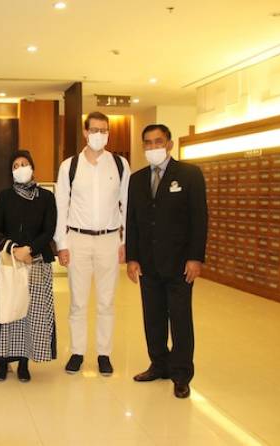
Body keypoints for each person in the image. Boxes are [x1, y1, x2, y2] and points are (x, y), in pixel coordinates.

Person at [126, 124, 208, 399]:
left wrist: (195, 257)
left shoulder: (189, 174)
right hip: (148, 263)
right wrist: (132, 258)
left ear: (169, 144)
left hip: (179, 263)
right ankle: (159, 364)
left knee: (180, 320)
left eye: (158, 142)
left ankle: (181, 374)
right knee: (153, 318)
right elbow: (132, 221)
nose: (153, 147)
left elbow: (199, 218)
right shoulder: (137, 179)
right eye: (148, 143)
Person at [55, 111, 130, 376]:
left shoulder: (119, 165)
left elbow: (127, 205)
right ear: (85, 132)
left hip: (109, 239)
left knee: (106, 301)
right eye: (94, 129)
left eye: (104, 130)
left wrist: (126, 241)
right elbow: (61, 206)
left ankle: (103, 354)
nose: (99, 134)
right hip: (78, 239)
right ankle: (77, 352)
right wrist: (61, 243)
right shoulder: (70, 166)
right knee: (78, 301)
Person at [0, 150, 57, 382]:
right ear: (11, 172)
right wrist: (15, 249)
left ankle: (24, 362)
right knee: (7, 310)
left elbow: (49, 230)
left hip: (36, 262)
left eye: (24, 163)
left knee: (31, 314)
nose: (21, 168)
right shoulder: (4, 197)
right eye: (16, 165)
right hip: (8, 262)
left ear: (32, 167)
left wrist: (30, 250)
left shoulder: (46, 197)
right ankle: (2, 362)